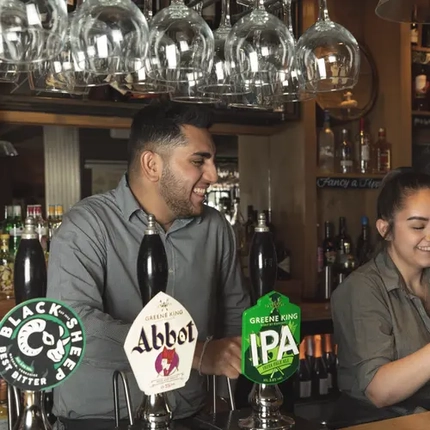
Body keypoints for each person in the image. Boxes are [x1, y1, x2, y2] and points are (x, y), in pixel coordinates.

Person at [46, 101, 250, 422]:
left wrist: (222, 396)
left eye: (212, 161)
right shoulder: (88, 224)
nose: (212, 174)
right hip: (104, 418)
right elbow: (75, 329)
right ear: (152, 164)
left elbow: (235, 314)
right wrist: (193, 353)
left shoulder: (215, 226)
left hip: (193, 412)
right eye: (199, 161)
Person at [331, 168, 430, 425]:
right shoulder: (361, 289)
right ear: (385, 229)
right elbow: (378, 390)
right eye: (418, 226)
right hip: (377, 423)